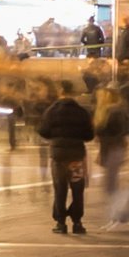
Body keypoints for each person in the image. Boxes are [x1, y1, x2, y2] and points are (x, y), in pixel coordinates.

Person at [41, 89, 95, 236]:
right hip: (76, 156)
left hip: (58, 156)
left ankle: (60, 223)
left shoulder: (51, 111)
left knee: (60, 189)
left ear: (60, 93)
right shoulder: (82, 112)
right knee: (77, 189)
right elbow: (89, 135)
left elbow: (43, 131)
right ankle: (77, 223)